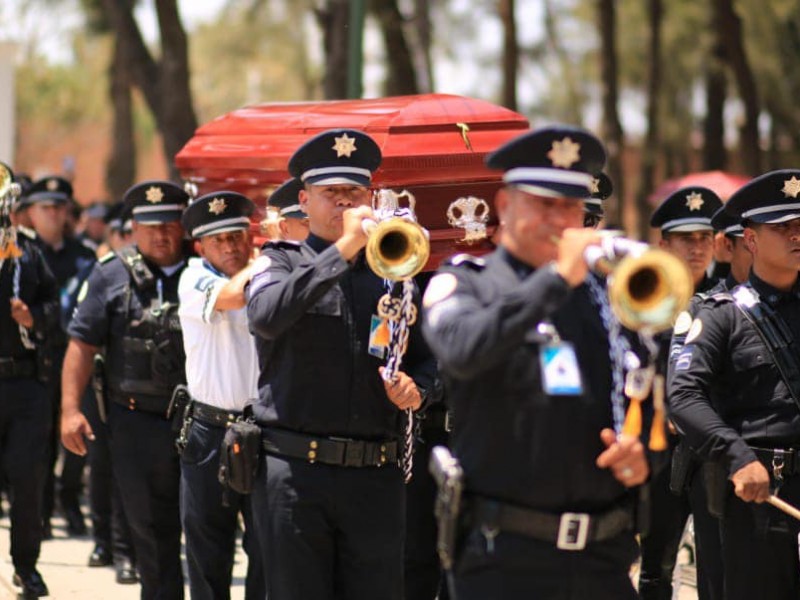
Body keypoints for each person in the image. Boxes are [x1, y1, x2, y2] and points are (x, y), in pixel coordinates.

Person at [421, 126, 653, 599]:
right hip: (505, 558)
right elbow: (464, 350)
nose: (560, 219)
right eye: (544, 204)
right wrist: (556, 280)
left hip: (602, 558)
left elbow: (644, 388)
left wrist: (642, 451)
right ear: (505, 206)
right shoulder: (466, 284)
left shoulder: (606, 297)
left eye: (570, 206)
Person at [247, 128, 438, 600]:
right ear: (305, 200)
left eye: (353, 193)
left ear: (371, 198)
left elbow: (431, 356)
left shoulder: (395, 267)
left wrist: (420, 389)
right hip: (297, 473)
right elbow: (266, 316)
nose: (343, 204)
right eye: (331, 194)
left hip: (375, 475)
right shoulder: (281, 261)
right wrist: (341, 252)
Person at [669, 169, 800, 599]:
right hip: (758, 494)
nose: (797, 236)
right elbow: (683, 396)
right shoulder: (718, 315)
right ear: (751, 239)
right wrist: (737, 456)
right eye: (783, 228)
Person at [61, 180, 190, 599]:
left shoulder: (205, 270)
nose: (161, 234)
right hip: (135, 423)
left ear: (184, 224)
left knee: (209, 533)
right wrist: (69, 412)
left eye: (170, 223)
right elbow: (81, 344)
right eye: (150, 225)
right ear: (133, 227)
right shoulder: (111, 274)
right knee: (150, 533)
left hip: (200, 423)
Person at [177, 191, 265, 599]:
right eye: (219, 240)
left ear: (249, 236)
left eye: (236, 236)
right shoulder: (194, 277)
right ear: (201, 247)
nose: (230, 246)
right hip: (210, 431)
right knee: (208, 549)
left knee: (267, 548)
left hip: (264, 428)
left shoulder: (265, 272)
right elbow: (231, 297)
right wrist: (273, 256)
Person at [638, 185, 722, 600]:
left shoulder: (729, 293)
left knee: (716, 565)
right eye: (686, 238)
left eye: (705, 237)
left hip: (713, 445)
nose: (697, 247)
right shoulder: (641, 292)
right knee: (657, 563)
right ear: (663, 243)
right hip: (662, 447)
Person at [0, 163, 59, 598]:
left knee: (26, 481)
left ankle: (26, 566)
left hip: (24, 386)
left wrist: (33, 317)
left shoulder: (30, 254)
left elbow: (58, 312)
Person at [26, 175, 96, 539]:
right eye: (45, 207)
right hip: (36, 359)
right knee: (41, 441)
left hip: (76, 358)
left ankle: (70, 502)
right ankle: (43, 508)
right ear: (31, 213)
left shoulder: (85, 256)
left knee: (77, 436)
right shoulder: (20, 253)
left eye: (59, 206)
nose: (54, 214)